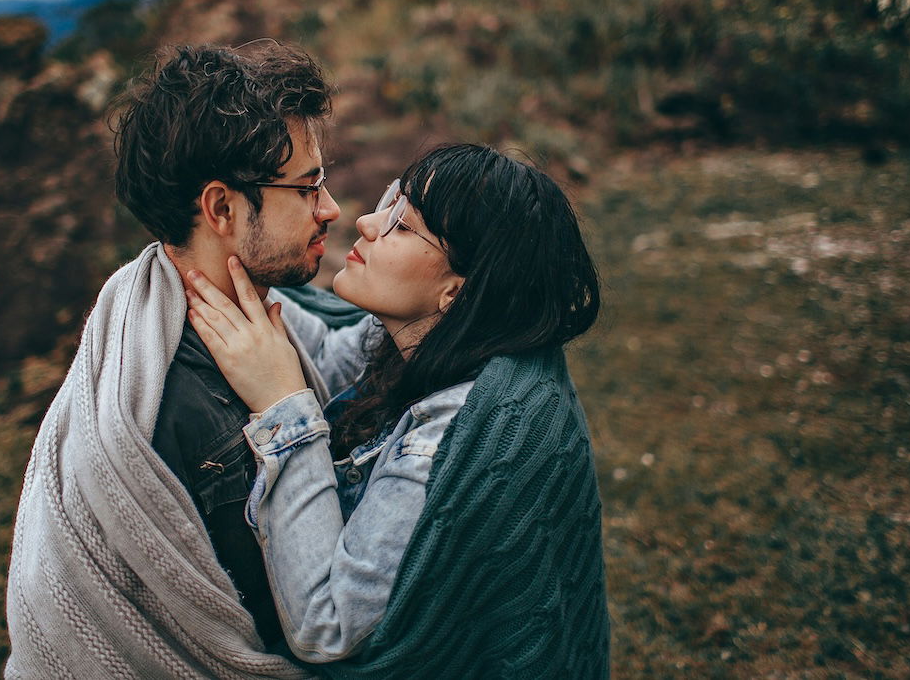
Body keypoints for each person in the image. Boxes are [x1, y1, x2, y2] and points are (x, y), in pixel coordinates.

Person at [5, 43, 373, 679]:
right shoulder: (192, 409)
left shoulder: (253, 314)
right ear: (222, 209)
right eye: (307, 186)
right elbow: (300, 621)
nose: (331, 208)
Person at [185, 144, 610, 679]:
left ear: (456, 291)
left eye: (402, 226)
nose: (365, 222)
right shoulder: (425, 339)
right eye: (388, 204)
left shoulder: (450, 439)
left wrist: (281, 405)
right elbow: (321, 354)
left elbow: (328, 625)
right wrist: (210, 254)